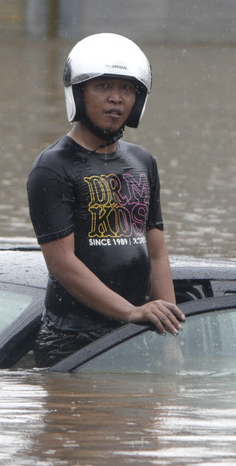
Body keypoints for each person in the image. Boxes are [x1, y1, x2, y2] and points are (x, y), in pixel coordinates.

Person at [26, 33, 184, 367]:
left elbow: (156, 252)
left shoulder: (143, 162)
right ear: (78, 94)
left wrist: (171, 336)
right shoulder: (52, 167)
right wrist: (131, 311)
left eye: (126, 89)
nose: (116, 99)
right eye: (103, 87)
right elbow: (62, 264)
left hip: (136, 336)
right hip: (72, 341)